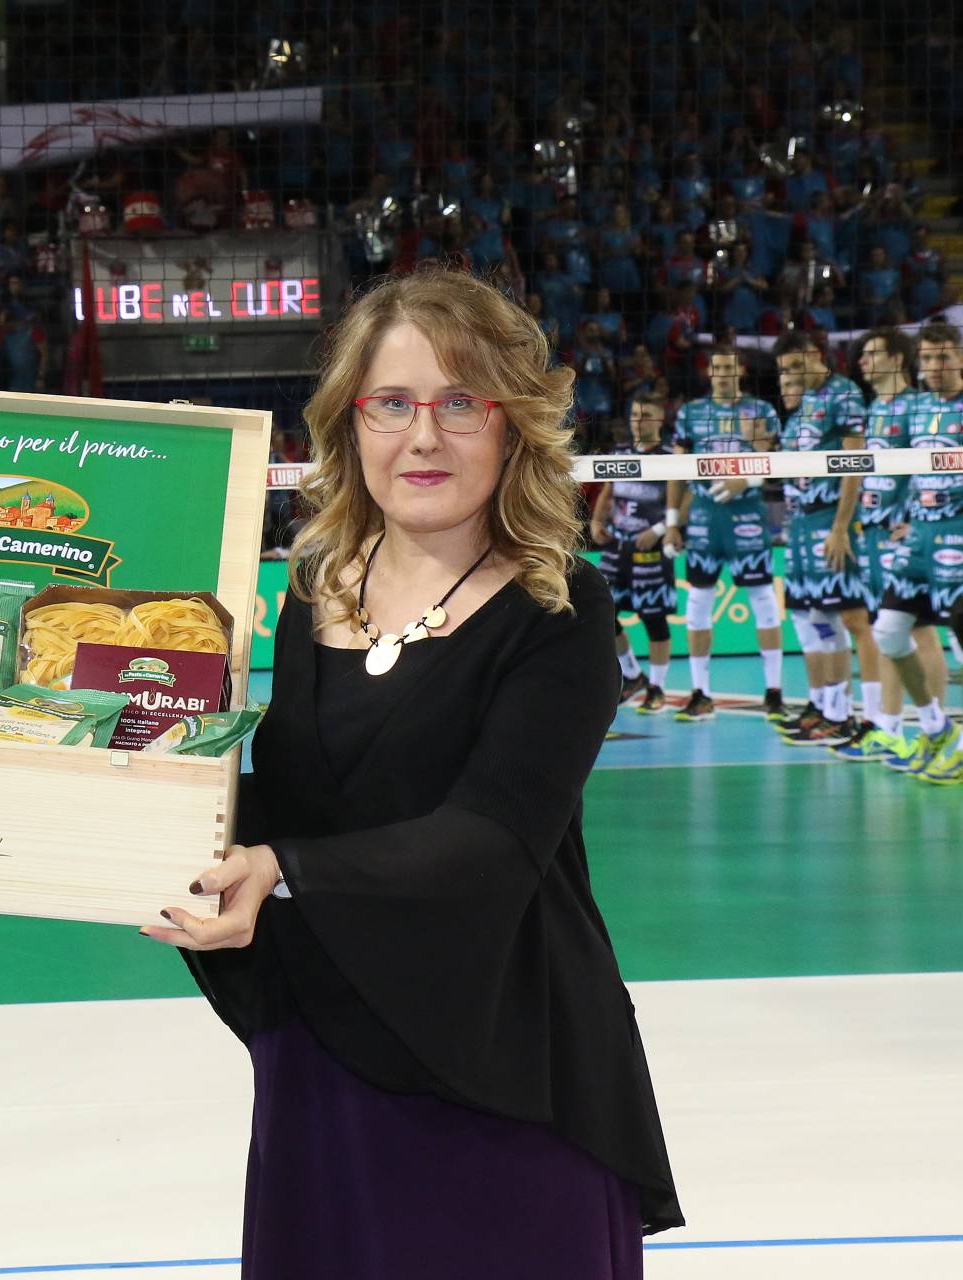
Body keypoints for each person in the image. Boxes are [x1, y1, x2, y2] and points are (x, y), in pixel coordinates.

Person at [148, 268, 681, 1277]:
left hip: (506, 1074)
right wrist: (130, 792)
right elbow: (299, 803)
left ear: (512, 426)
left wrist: (281, 867)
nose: (423, 436)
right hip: (328, 1060)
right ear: (350, 424)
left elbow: (492, 841)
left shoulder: (560, 608)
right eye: (391, 403)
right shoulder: (314, 587)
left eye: (460, 403)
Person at [663, 346, 785, 720]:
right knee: (698, 602)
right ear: (709, 372)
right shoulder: (691, 413)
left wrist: (746, 478)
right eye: (716, 367)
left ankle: (775, 692)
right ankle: (701, 692)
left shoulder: (761, 411)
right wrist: (672, 522)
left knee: (763, 599)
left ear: (740, 371)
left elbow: (778, 463)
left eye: (729, 367)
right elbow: (676, 469)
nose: (722, 374)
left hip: (747, 514)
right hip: (704, 516)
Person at [770, 331, 868, 744]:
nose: (791, 376)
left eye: (796, 366)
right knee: (814, 618)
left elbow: (854, 462)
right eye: (784, 370)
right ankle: (826, 707)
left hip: (830, 519)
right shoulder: (804, 406)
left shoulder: (843, 394)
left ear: (815, 355)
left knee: (842, 617)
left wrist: (841, 527)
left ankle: (842, 714)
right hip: (801, 524)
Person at [875, 320, 963, 780]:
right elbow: (907, 467)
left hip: (958, 534)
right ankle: (935, 727)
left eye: (943, 356)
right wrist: (906, 514)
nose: (934, 366)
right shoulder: (915, 408)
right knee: (889, 632)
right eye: (927, 358)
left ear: (960, 358)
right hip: (920, 536)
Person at [833, 329, 919, 761]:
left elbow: (937, 465)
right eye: (862, 354)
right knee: (887, 631)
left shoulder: (917, 407)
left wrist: (915, 519)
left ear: (898, 359)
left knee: (918, 632)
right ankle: (889, 727)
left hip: (907, 538)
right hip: (873, 536)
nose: (862, 361)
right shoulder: (873, 410)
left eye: (872, 353)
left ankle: (927, 731)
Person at [591, 390, 676, 712]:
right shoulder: (621, 453)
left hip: (650, 549)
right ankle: (632, 674)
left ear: (660, 419)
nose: (639, 422)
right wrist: (596, 521)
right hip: (617, 547)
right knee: (604, 614)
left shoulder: (670, 457)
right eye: (635, 415)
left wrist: (658, 531)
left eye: (646, 416)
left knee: (654, 620)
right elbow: (608, 490)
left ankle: (657, 688)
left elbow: (683, 501)